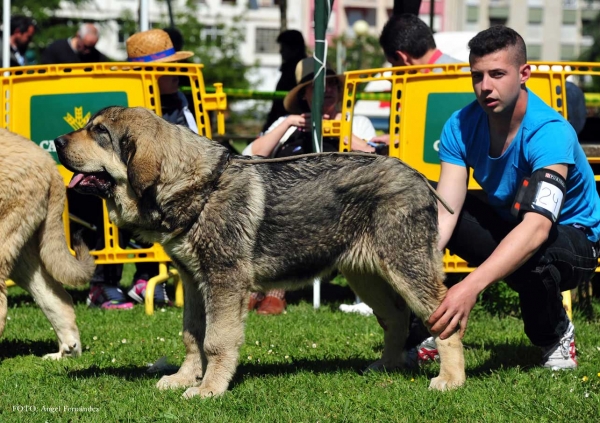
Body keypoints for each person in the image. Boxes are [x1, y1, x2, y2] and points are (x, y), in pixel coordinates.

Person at [427, 26, 600, 370]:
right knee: (423, 204)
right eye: (476, 76)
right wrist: (419, 268)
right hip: (514, 224)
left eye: (497, 74)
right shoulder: (459, 125)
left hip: (575, 239)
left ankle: (554, 336)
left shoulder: (549, 131)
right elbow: (446, 214)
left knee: (535, 251)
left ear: (524, 74)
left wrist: (469, 287)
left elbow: (536, 228)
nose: (485, 86)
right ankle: (424, 330)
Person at [339, 13, 462, 319]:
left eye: (394, 66)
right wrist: (393, 137)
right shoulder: (464, 74)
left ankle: (408, 322)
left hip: (431, 191)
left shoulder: (416, 81)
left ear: (401, 58)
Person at [244, 57, 377, 315]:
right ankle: (257, 287)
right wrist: (287, 123)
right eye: (318, 87)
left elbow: (373, 157)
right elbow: (253, 155)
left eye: (331, 85)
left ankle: (274, 291)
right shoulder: (289, 124)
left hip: (337, 204)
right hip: (284, 199)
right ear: (305, 94)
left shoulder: (356, 123)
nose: (327, 91)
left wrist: (341, 132)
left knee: (296, 212)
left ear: (339, 91)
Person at [82, 28, 198, 310]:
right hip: (119, 186)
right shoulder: (118, 110)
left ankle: (146, 279)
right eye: (168, 69)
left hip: (166, 187)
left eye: (176, 67)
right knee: (114, 202)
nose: (177, 73)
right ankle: (103, 285)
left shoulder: (181, 102)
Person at [262, 29, 307, 133]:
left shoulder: (293, 70)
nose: (280, 51)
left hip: (288, 124)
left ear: (294, 48)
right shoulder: (299, 68)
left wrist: (267, 127)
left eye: (283, 47)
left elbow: (278, 105)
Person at [41, 23, 107, 65]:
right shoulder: (56, 49)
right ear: (78, 36)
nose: (88, 51)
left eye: (91, 47)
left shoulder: (97, 57)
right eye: (85, 46)